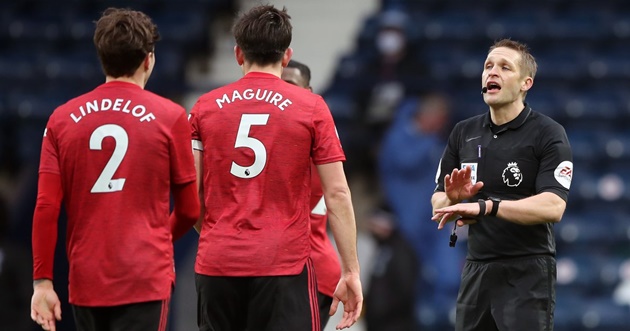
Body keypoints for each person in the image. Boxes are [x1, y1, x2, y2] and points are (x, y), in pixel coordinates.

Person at [189, 5, 362, 331]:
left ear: (238, 54)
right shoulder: (311, 107)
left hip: (217, 263)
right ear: (286, 57)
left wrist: (216, 235)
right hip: (283, 265)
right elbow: (337, 193)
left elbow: (191, 196)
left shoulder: (204, 107)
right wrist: (351, 270)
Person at [30, 8, 199, 331]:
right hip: (144, 275)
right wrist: (159, 241)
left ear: (102, 56)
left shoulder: (61, 120)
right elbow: (190, 210)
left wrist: (42, 282)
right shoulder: (171, 116)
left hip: (86, 277)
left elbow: (46, 207)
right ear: (148, 59)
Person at [431, 38, 573, 331]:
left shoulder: (548, 133)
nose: (492, 72)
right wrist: (453, 199)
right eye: (488, 66)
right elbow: (437, 201)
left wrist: (488, 207)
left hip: (527, 271)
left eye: (505, 67)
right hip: (476, 269)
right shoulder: (463, 132)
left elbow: (554, 205)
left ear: (525, 83)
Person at [378, 92, 465, 328]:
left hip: (434, 224)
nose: (442, 125)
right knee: (409, 288)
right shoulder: (400, 137)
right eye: (440, 119)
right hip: (405, 229)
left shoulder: (435, 143)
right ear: (430, 116)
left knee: (449, 277)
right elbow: (405, 161)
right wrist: (430, 146)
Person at [281, 59, 342, 330]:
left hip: (310, 269)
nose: (283, 93)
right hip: (280, 267)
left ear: (309, 91)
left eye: (291, 85)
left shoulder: (317, 128)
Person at [363, 208, 419, 331]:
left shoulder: (401, 251)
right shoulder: (382, 248)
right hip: (377, 323)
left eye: (375, 224)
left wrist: (384, 312)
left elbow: (406, 288)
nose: (372, 228)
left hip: (395, 324)